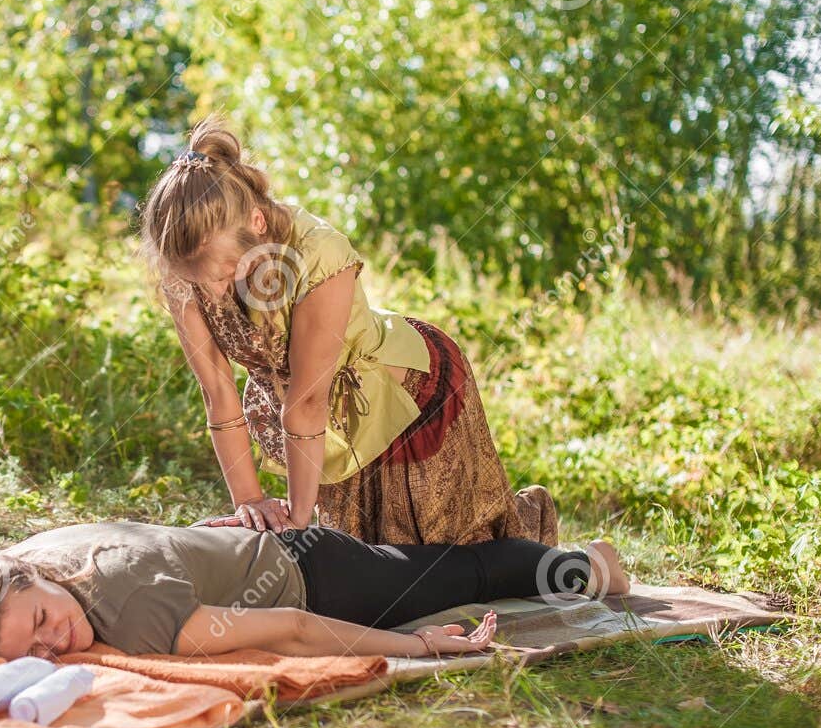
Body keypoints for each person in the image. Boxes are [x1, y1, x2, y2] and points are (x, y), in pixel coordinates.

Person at [137, 115, 557, 547]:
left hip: (410, 402)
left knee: (462, 552)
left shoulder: (320, 253)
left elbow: (307, 400)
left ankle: (582, 555)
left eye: (227, 272)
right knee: (372, 568)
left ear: (258, 226)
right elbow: (218, 390)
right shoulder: (185, 261)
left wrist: (297, 525)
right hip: (328, 434)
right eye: (202, 280)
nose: (215, 290)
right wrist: (251, 502)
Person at [0, 520, 629, 661]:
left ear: (29, 583)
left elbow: (290, 629)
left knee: (466, 572)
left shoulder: (140, 615)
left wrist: (413, 646)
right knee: (441, 557)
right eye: (34, 653)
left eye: (44, 623)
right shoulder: (24, 560)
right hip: (256, 547)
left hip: (322, 580)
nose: (57, 644)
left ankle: (589, 564)